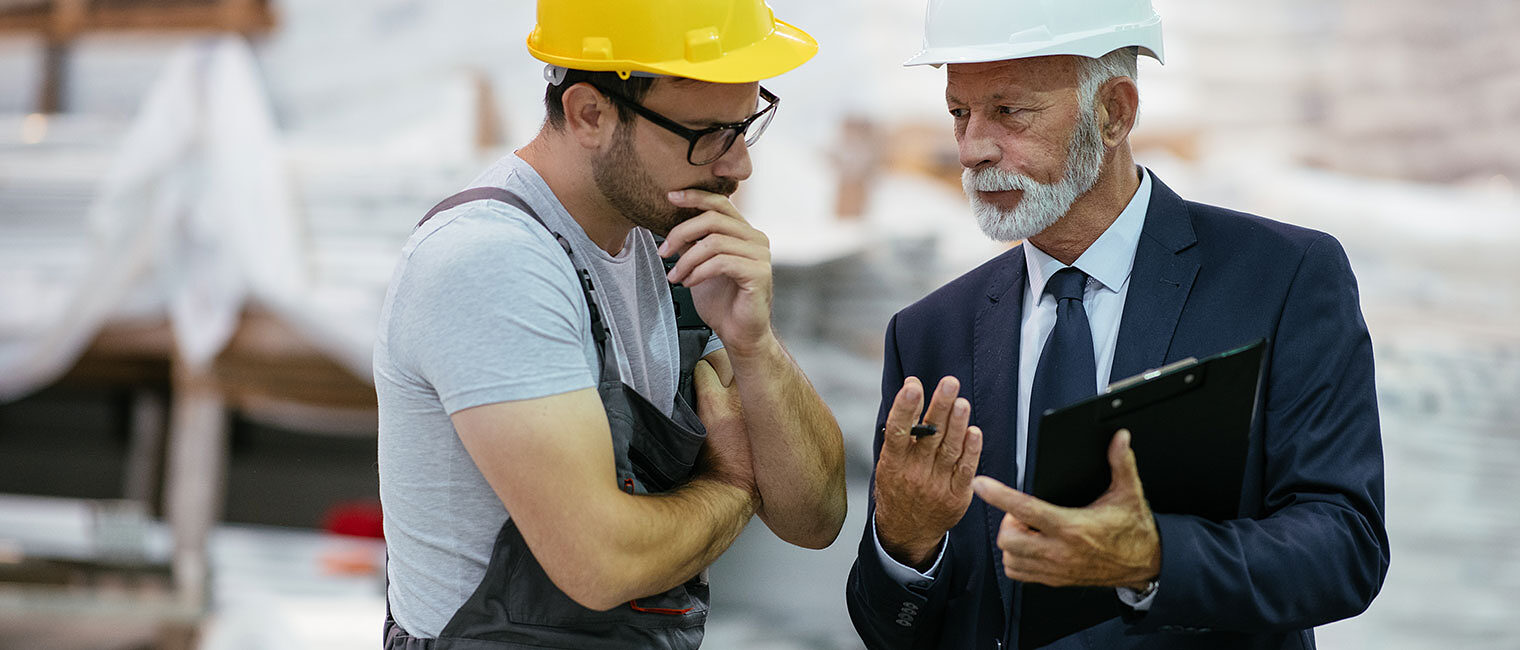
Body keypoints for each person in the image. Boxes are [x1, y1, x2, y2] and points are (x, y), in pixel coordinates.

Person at [845, 1, 1389, 648]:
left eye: (1008, 111)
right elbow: (887, 628)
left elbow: (1344, 549)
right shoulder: (930, 332)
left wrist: (1154, 557)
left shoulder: (1278, 278)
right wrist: (904, 541)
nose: (971, 149)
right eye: (959, 113)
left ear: (1114, 112)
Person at [375, 1, 847, 647]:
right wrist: (734, 481)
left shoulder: (671, 243)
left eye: (745, 126)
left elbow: (813, 517)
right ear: (590, 113)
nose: (738, 166)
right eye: (707, 133)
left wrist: (753, 342)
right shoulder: (494, 260)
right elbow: (602, 565)